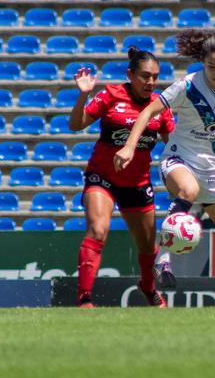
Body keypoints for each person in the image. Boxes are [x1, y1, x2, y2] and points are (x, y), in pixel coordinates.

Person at [114, 27, 215, 307]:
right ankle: (164, 259)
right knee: (188, 189)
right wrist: (130, 145)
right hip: (180, 158)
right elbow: (147, 111)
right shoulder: (188, 86)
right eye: (211, 66)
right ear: (202, 62)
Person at [68, 47, 175, 308]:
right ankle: (84, 299)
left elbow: (175, 142)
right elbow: (76, 124)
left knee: (148, 248)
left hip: (137, 183)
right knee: (98, 229)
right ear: (130, 74)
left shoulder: (160, 106)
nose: (150, 82)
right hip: (102, 177)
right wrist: (83, 96)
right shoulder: (112, 94)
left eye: (155, 77)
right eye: (145, 76)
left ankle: (148, 288)